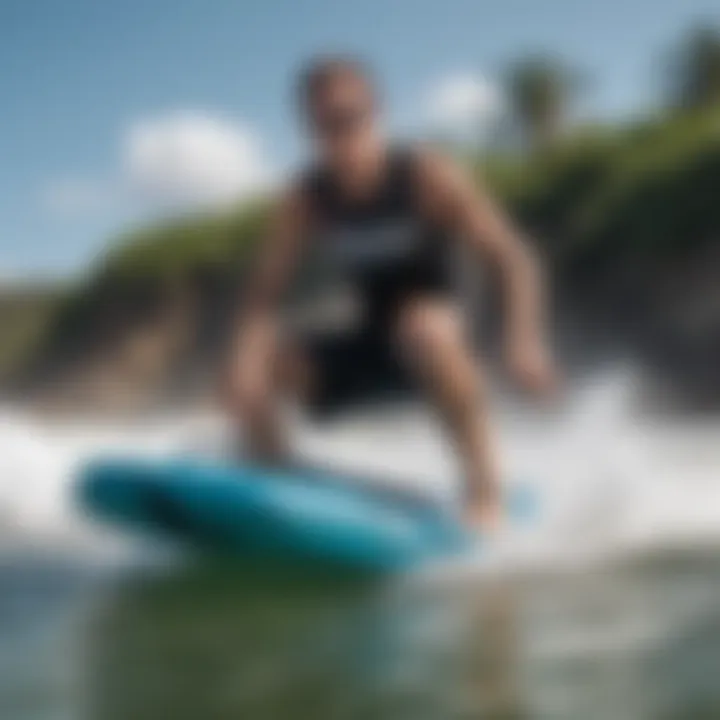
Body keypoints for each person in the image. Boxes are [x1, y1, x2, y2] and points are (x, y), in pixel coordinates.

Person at [224, 56, 557, 530]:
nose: (339, 135)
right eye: (323, 124)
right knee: (266, 366)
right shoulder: (308, 196)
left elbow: (512, 256)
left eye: (350, 117)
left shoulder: (424, 174)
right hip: (373, 340)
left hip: (445, 341)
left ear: (375, 112)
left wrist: (524, 340)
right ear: (308, 128)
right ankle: (277, 484)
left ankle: (484, 491)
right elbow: (263, 293)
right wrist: (244, 364)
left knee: (423, 326)